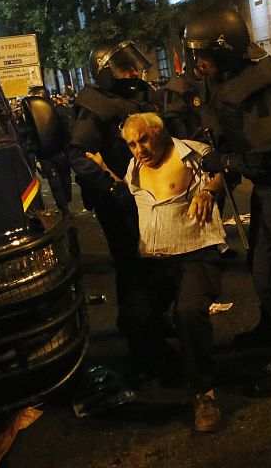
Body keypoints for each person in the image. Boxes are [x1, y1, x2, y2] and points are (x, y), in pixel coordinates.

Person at [183, 8, 271, 396]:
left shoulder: (259, 87)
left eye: (202, 54)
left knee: (267, 273)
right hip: (268, 185)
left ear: (224, 50)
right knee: (259, 254)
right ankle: (270, 328)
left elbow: (267, 155)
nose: (197, 63)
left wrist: (220, 162)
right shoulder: (231, 79)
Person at [86, 112, 227, 432]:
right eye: (132, 144)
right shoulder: (135, 166)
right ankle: (171, 362)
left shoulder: (192, 153)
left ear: (161, 133)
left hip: (195, 253)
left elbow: (223, 170)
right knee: (132, 317)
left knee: (189, 311)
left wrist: (209, 191)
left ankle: (204, 393)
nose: (139, 149)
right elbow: (130, 196)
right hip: (154, 259)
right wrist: (104, 171)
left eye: (144, 140)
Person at [67, 38, 159, 373]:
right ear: (105, 72)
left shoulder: (139, 98)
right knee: (133, 270)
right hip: (119, 204)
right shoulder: (96, 106)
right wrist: (111, 186)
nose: (132, 72)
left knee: (157, 266)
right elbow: (78, 155)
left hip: (150, 197)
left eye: (133, 64)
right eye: (123, 67)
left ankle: (153, 326)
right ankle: (141, 346)